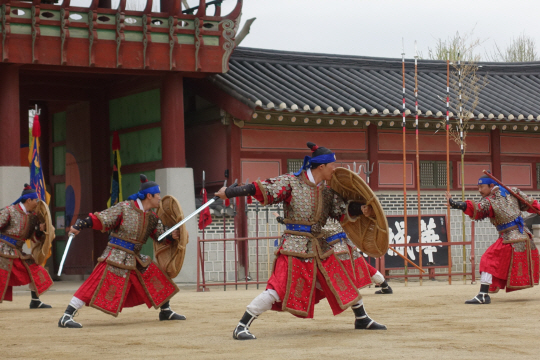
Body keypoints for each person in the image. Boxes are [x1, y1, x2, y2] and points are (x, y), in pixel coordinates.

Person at [216, 142, 386, 340]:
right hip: (294, 246)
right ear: (321, 166)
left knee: (343, 276)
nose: (335, 168)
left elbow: (341, 211)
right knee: (277, 289)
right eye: (332, 165)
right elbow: (264, 188)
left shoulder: (328, 191)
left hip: (319, 246)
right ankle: (241, 326)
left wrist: (361, 209)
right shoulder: (292, 183)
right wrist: (230, 192)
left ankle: (362, 318)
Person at [58, 175, 184, 328]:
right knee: (93, 284)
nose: (160, 198)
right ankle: (66, 316)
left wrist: (172, 235)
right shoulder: (124, 207)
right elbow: (103, 219)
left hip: (136, 258)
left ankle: (165, 311)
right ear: (149, 196)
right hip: (115, 256)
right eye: (158, 195)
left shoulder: (152, 217)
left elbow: (160, 236)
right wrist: (82, 224)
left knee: (156, 275)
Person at [446, 174, 540, 304]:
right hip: (522, 236)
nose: (479, 190)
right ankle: (483, 294)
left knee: (487, 260)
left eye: (481, 187)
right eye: (478, 187)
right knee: (494, 263)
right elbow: (531, 204)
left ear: (491, 186)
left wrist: (455, 204)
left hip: (511, 239)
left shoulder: (490, 200)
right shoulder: (512, 191)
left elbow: (476, 209)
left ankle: (483, 295)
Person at [0, 184, 53, 308]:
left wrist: (41, 230)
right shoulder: (9, 211)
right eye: (36, 200)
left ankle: (35, 301)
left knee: (36, 270)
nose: (37, 203)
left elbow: (35, 237)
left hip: (17, 251)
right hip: (2, 251)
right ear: (29, 200)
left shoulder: (33, 216)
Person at [322, 221, 392, 294]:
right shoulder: (343, 214)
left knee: (340, 269)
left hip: (336, 247)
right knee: (364, 266)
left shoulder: (324, 216)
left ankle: (353, 291)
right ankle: (385, 286)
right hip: (349, 244)